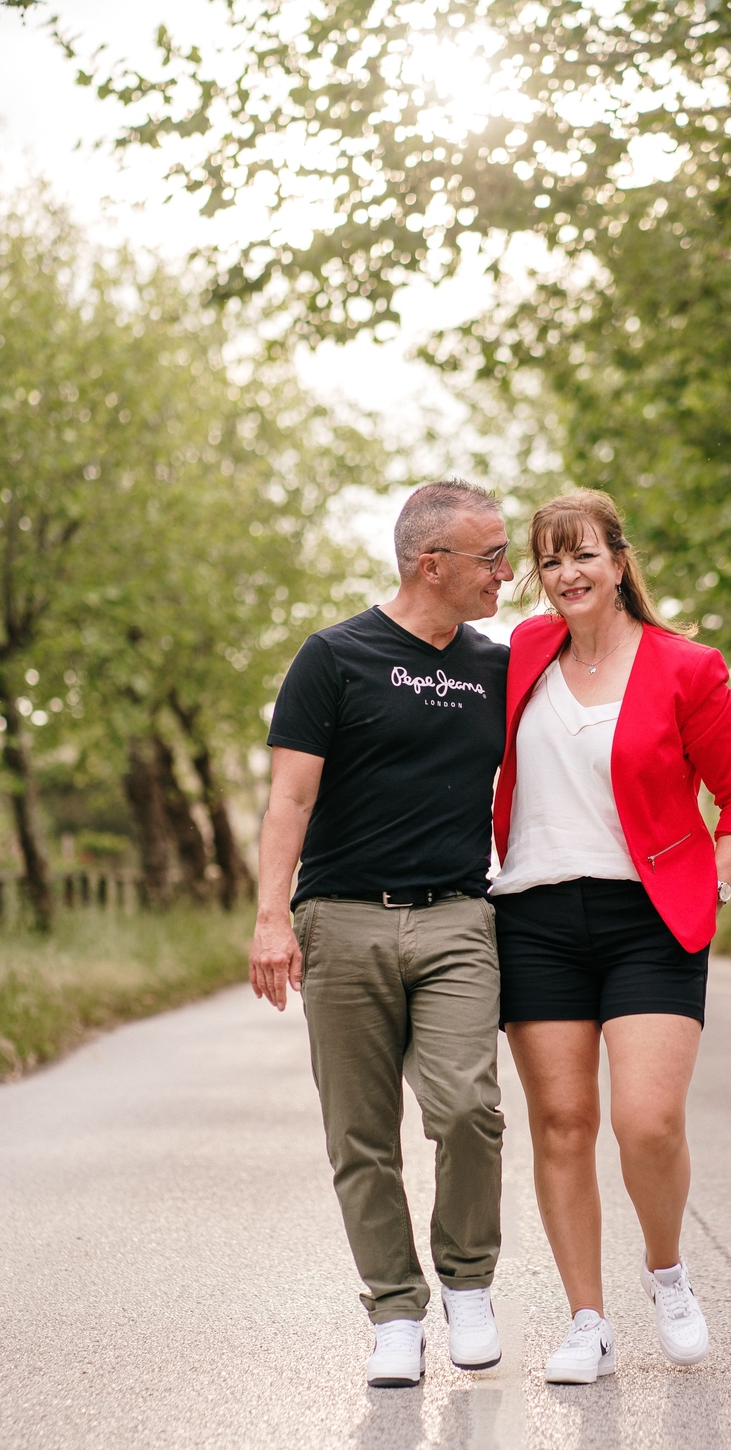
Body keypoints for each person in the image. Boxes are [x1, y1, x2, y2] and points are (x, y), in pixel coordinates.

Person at [489, 489, 731, 1382]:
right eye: (550, 560)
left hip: (649, 918)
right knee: (563, 1122)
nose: (567, 574)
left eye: (583, 556)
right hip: (533, 913)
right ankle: (585, 1321)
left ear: (618, 560)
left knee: (646, 1122)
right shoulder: (521, 654)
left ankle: (668, 1272)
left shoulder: (687, 666)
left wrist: (715, 879)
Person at [250, 479, 513, 1389]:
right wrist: (270, 917)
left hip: (457, 916)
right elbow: (290, 795)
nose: (506, 574)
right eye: (491, 556)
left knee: (469, 1108)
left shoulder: (497, 664)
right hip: (344, 917)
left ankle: (469, 1284)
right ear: (429, 563)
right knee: (360, 1132)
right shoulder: (334, 656)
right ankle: (395, 1312)